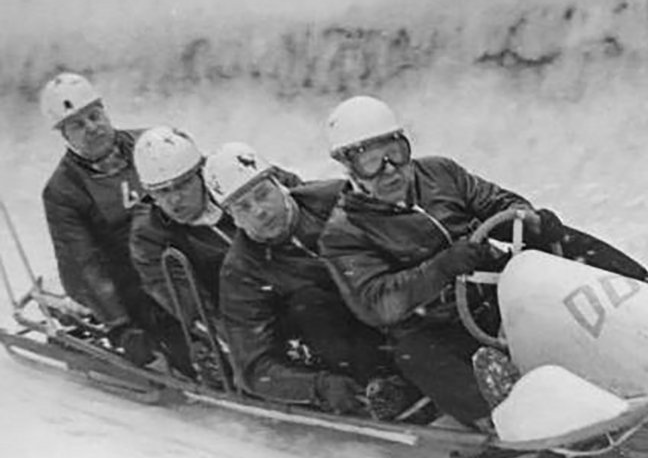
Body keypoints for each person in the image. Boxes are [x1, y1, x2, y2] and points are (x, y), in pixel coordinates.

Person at [318, 95, 648, 429]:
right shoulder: (343, 232)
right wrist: (441, 268)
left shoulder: (441, 173)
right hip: (439, 323)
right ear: (351, 170)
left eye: (395, 153)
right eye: (372, 161)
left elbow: (497, 201)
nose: (390, 170)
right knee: (413, 351)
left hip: (498, 290)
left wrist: (529, 220)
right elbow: (376, 303)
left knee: (555, 238)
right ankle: (503, 411)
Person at [205, 141, 428, 420]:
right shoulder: (241, 272)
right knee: (309, 303)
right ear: (233, 219)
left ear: (279, 184)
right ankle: (386, 387)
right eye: (243, 208)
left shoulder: (335, 197)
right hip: (338, 343)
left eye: (262, 195)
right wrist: (318, 386)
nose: (259, 211)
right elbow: (253, 367)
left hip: (394, 306)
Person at [37, 73, 192, 372]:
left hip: (181, 255)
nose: (92, 128)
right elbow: (84, 264)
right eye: (78, 125)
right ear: (64, 135)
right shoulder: (63, 190)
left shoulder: (151, 143)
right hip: (127, 279)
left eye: (94, 116)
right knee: (184, 342)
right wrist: (122, 328)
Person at [128, 126, 302, 329]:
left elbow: (300, 198)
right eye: (162, 192)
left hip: (297, 277)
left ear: (200, 174)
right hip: (242, 311)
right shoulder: (149, 235)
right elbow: (188, 304)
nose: (175, 199)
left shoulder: (232, 173)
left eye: (182, 185)